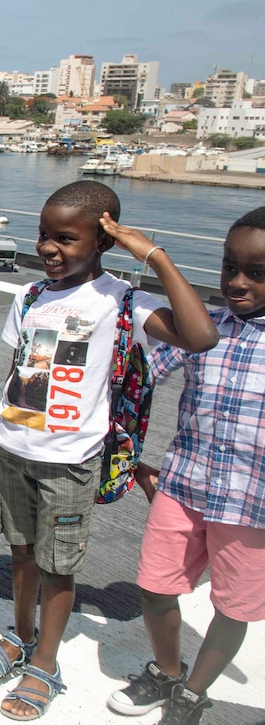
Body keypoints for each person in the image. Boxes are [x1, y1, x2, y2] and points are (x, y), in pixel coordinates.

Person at [0, 180, 218, 720]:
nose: (48, 248)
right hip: (16, 448)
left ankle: (44, 662)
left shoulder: (124, 301)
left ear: (104, 240)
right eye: (43, 235)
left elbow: (200, 335)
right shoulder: (31, 296)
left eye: (65, 238)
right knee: (20, 553)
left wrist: (151, 254)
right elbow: (23, 375)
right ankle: (21, 635)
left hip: (70, 460)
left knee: (57, 566)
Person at [106, 207, 265, 725]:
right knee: (154, 588)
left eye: (257, 273)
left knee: (234, 607)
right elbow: (141, 376)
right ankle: (168, 671)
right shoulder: (206, 327)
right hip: (184, 484)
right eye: (228, 267)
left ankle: (194, 691)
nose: (237, 283)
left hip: (251, 504)